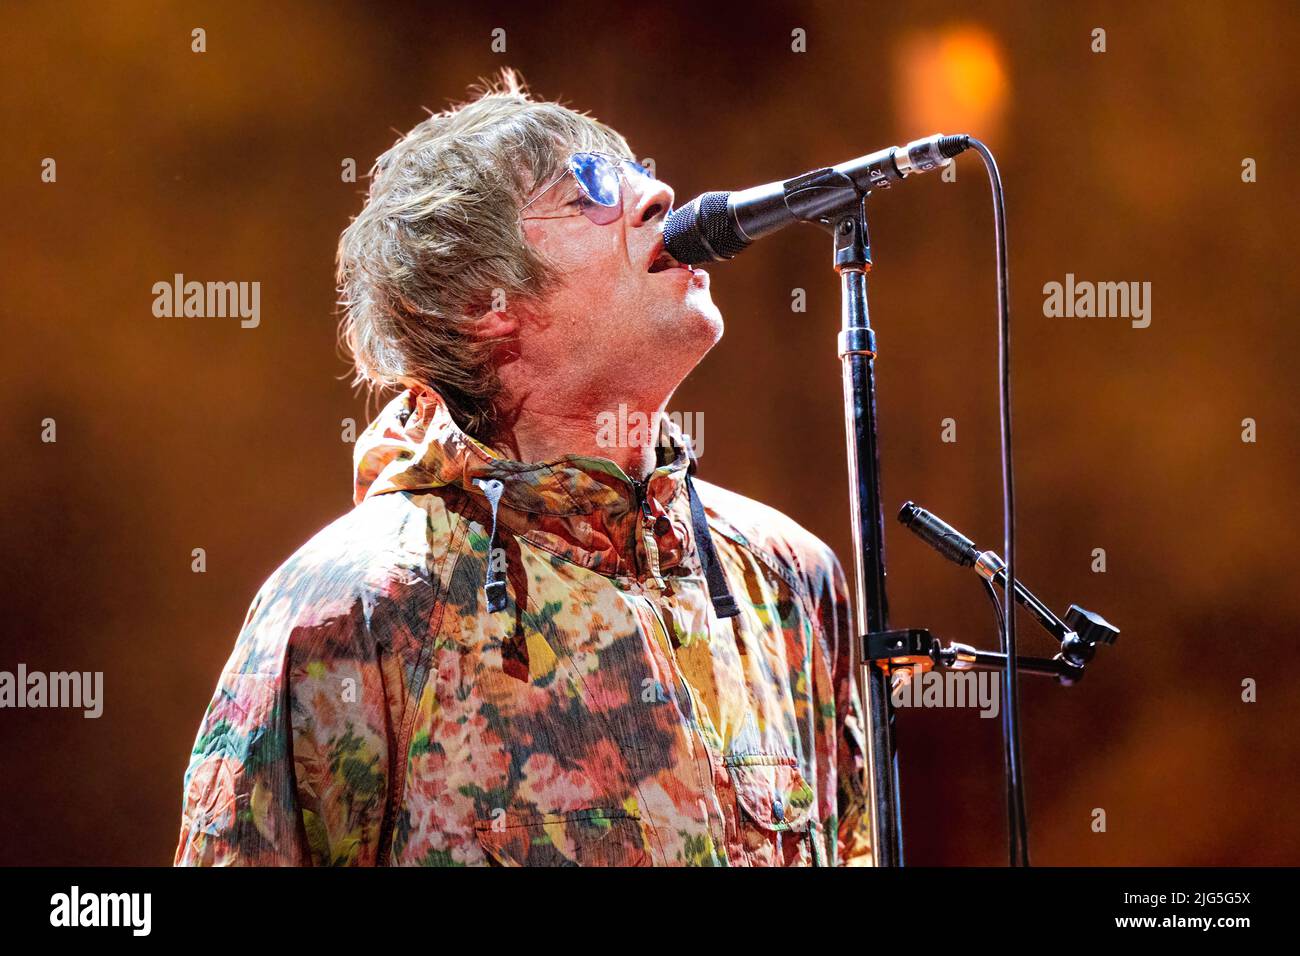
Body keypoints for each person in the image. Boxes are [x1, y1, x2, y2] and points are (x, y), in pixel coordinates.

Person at [174, 69, 872, 867]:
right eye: (589, 190)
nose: (659, 196)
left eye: (641, 170)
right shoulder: (352, 609)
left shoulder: (789, 577)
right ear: (485, 301)